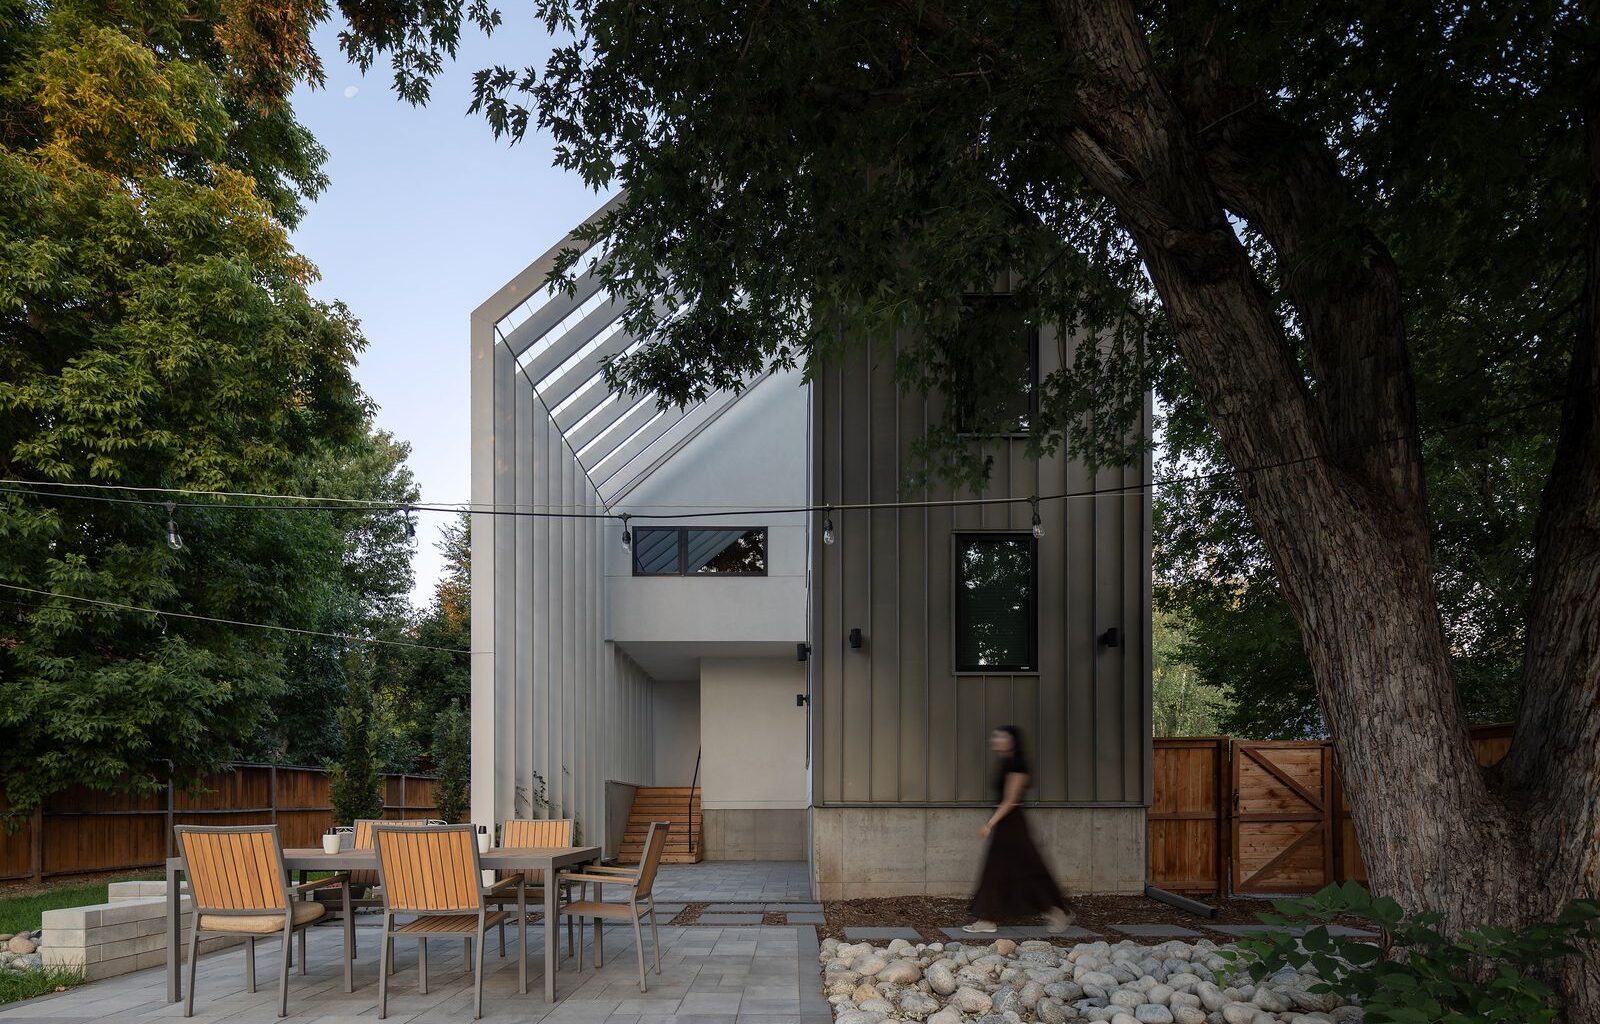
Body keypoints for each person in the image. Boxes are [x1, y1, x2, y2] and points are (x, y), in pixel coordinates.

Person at [962, 725, 1073, 934]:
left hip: (1012, 825)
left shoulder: (1017, 764)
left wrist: (990, 824)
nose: (996, 740)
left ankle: (1057, 910)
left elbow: (1011, 800)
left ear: (1012, 741)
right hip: (1006, 823)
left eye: (1001, 737)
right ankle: (988, 918)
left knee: (1023, 868)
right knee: (1004, 870)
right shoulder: (1005, 762)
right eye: (996, 737)